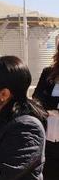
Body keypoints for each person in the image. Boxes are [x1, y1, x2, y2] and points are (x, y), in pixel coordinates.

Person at [32, 41, 59, 180]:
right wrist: (56, 105)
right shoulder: (48, 72)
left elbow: (44, 100)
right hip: (47, 139)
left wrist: (51, 105)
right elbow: (36, 98)